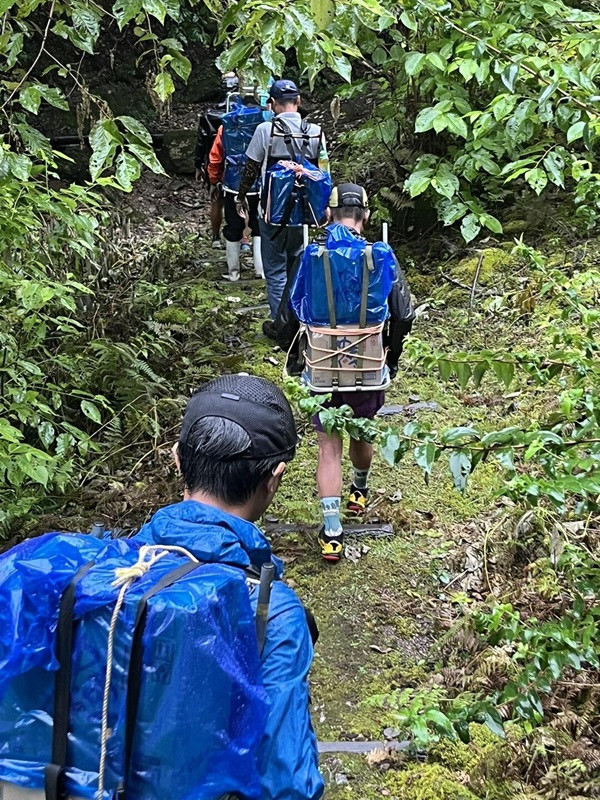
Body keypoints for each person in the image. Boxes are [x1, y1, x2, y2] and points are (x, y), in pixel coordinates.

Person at [134, 375, 324, 798]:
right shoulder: (271, 611)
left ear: (177, 459)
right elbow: (285, 781)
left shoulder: (112, 570)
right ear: (275, 478)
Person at [288, 184, 415, 562]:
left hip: (321, 367)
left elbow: (287, 314)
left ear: (328, 215)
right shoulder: (380, 255)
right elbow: (404, 314)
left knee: (328, 447)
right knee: (362, 427)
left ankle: (331, 532)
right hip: (368, 366)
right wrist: (391, 354)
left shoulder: (311, 255)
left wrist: (295, 356)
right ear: (367, 216)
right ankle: (359, 492)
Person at [235, 79, 327, 326]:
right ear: (298, 101)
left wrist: (240, 197)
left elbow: (251, 169)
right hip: (304, 211)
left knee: (275, 269)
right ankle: (298, 320)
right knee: (297, 265)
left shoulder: (265, 130)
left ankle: (280, 323)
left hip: (272, 212)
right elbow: (323, 173)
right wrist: (324, 207)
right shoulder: (316, 131)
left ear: (272, 103)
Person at [207, 93, 267, 280]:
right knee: (258, 225)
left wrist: (214, 180)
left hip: (232, 184)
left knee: (233, 225)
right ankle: (260, 270)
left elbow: (215, 157)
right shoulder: (263, 126)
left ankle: (233, 273)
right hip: (258, 184)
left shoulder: (226, 126)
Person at [195, 72, 240, 249]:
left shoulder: (209, 115)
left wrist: (198, 165)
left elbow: (201, 142)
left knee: (216, 200)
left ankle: (215, 237)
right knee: (242, 200)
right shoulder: (245, 115)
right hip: (237, 164)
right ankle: (244, 240)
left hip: (214, 164)